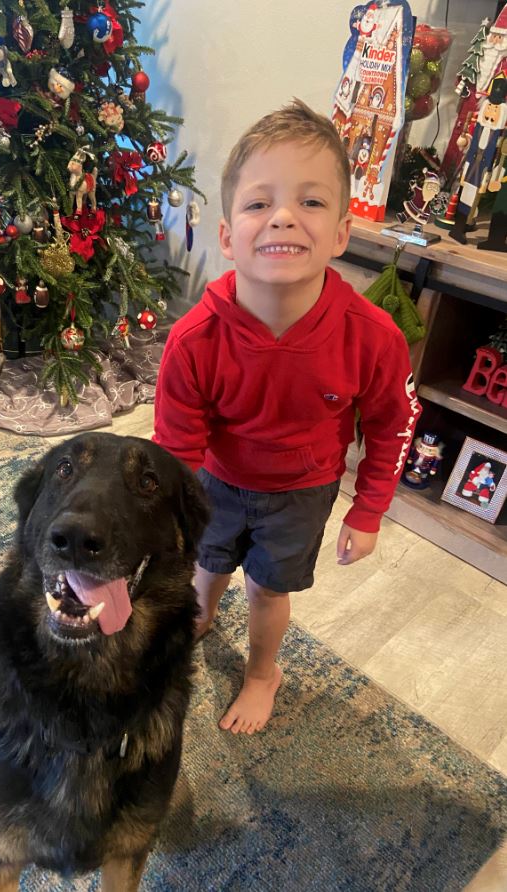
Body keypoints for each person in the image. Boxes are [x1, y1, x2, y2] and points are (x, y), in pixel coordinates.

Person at [153, 100, 421, 736]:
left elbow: (393, 426)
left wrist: (368, 511)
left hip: (302, 493)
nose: (283, 217)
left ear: (341, 233)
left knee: (268, 591)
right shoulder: (193, 340)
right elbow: (176, 446)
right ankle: (199, 616)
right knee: (207, 564)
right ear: (227, 237)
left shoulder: (374, 338)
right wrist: (167, 517)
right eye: (258, 203)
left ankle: (261, 672)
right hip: (216, 482)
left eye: (311, 201)